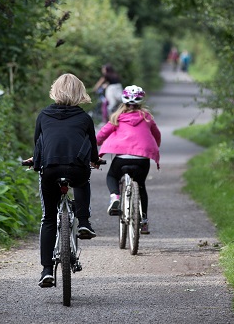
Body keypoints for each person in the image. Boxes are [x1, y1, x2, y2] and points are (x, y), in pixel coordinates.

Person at [29, 73, 102, 288]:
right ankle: (84, 222)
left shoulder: (43, 115)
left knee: (49, 219)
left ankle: (45, 271)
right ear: (80, 93)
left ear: (55, 91)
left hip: (50, 169)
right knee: (81, 181)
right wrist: (95, 161)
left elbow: (39, 145)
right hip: (77, 168)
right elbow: (92, 149)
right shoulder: (84, 118)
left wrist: (35, 162)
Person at [96, 85, 161, 235]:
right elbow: (156, 136)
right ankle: (143, 221)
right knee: (141, 186)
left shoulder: (116, 117)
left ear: (123, 102)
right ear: (141, 103)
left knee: (112, 176)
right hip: (142, 159)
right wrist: (153, 147)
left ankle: (115, 197)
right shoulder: (147, 117)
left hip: (121, 159)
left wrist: (95, 146)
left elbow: (101, 135)